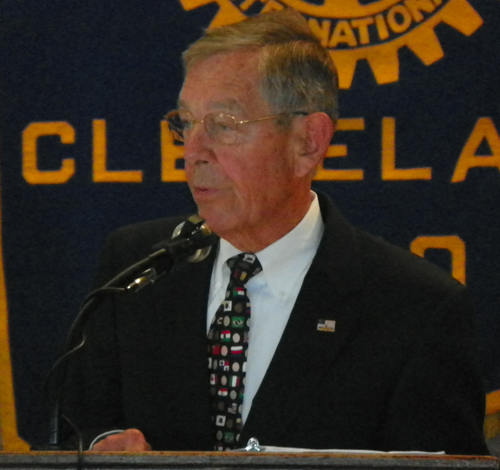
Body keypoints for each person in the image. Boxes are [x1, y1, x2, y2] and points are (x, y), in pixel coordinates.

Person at [63, 9, 489, 454]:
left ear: (308, 142)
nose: (193, 152)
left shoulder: (416, 310)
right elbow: (80, 422)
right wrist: (102, 445)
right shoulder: (135, 266)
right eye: (186, 123)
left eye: (224, 126)